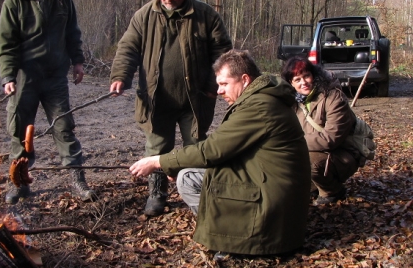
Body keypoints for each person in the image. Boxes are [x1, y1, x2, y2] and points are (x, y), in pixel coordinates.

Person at [129, 50, 311, 256]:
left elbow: (211, 150)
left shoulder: (259, 106)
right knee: (191, 170)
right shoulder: (262, 99)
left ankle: (233, 239)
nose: (219, 91)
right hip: (275, 192)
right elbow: (223, 150)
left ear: (244, 80)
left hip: (274, 204)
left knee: (188, 179)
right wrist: (176, 163)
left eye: (224, 84)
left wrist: (158, 161)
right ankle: (232, 231)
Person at [109, 0, 233, 217]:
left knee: (197, 145)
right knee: (156, 147)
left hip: (195, 99)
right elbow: (127, 47)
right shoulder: (145, 15)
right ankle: (157, 194)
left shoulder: (205, 15)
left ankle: (201, 190)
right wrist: (121, 76)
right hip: (156, 99)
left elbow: (222, 51)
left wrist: (213, 85)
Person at [0, 0, 95, 204]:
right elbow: (6, 45)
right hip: (24, 77)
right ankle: (19, 183)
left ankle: (77, 181)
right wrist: (8, 77)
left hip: (55, 77)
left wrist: (78, 62)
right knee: (19, 130)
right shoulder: (14, 2)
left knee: (63, 127)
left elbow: (73, 32)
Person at [281, 57, 360, 205]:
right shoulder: (293, 102)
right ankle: (313, 186)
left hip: (344, 153)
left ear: (314, 75)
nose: (303, 82)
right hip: (315, 151)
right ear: (291, 83)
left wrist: (293, 142)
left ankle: (333, 191)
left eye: (306, 76)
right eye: (297, 79)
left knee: (308, 162)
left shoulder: (333, 96)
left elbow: (330, 138)